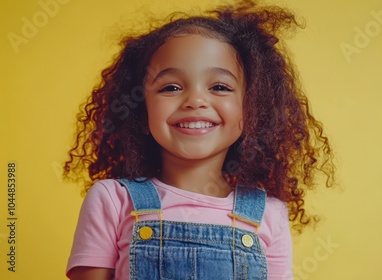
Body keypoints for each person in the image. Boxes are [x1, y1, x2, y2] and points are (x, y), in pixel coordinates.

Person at [63, 0, 334, 279]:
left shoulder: (269, 214)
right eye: (171, 87)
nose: (195, 100)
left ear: (251, 109)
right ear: (141, 113)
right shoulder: (113, 200)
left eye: (219, 87)